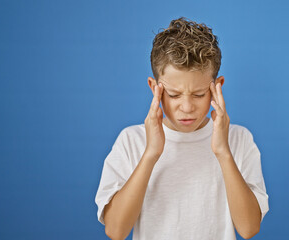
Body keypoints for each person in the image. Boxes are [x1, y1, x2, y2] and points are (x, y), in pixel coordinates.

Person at [94, 17, 269, 240]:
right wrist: (150, 154)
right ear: (154, 87)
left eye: (199, 94)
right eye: (174, 95)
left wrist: (223, 152)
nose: (187, 107)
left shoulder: (239, 139)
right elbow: (115, 231)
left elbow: (249, 228)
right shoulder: (131, 140)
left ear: (217, 87)